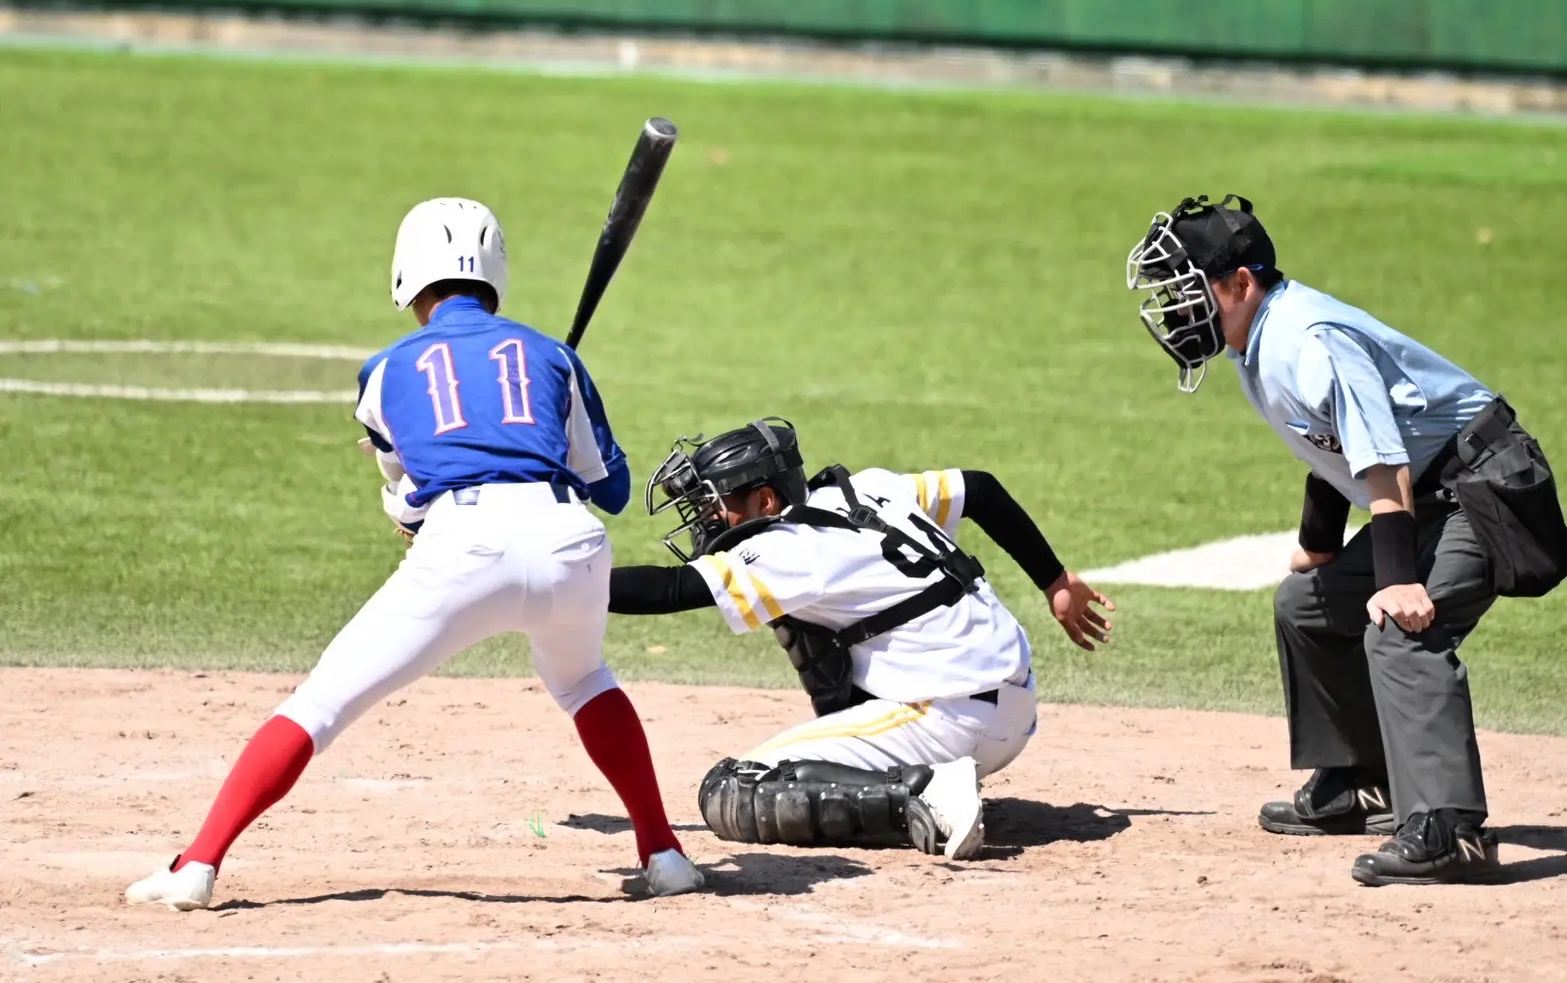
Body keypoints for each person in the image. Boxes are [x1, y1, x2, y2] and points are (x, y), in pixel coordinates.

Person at [125, 198, 703, 910]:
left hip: (464, 547)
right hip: (569, 546)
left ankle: (196, 865)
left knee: (321, 703)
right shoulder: (554, 356)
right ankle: (664, 853)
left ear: (406, 275)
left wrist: (424, 511)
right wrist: (558, 406)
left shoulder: (381, 372)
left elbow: (409, 501)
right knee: (585, 680)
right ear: (495, 274)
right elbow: (609, 488)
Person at [1125, 193, 1566, 885]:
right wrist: (1320, 544)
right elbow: (1329, 445)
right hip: (1429, 496)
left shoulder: (1307, 339)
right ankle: (1364, 781)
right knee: (1306, 604)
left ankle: (1452, 830)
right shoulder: (1257, 341)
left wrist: (1397, 579)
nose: (1175, 310)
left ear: (1239, 284)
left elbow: (1381, 459)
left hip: (1484, 489)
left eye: (1187, 290)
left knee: (1401, 628)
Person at [607, 418, 1114, 859]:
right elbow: (979, 489)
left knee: (737, 788)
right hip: (1010, 703)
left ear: (765, 499)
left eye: (715, 506)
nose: (707, 520)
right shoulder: (868, 488)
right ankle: (928, 775)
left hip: (947, 718)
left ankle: (930, 791)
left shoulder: (788, 550)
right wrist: (1054, 580)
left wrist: (566, 583)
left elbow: (669, 589)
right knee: (812, 630)